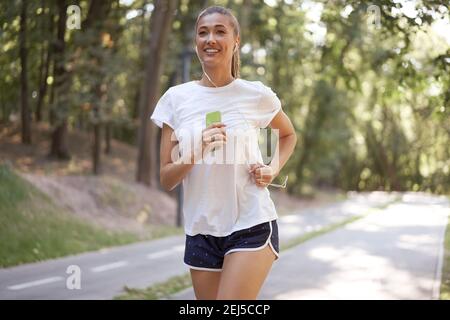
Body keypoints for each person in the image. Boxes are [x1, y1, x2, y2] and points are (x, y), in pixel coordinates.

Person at [150, 6, 297, 300]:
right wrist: (197, 148)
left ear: (236, 41)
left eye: (219, 31)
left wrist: (272, 169)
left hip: (250, 222)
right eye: (202, 33)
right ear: (196, 43)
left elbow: (288, 135)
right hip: (201, 230)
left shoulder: (255, 94)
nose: (210, 39)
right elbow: (166, 179)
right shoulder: (175, 100)